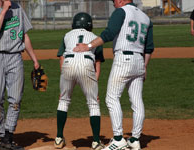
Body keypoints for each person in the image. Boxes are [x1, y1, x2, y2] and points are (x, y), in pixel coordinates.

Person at [74, 0, 154, 150]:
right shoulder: (146, 17)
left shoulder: (121, 11)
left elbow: (109, 33)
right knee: (137, 101)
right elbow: (149, 47)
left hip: (124, 59)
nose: (114, 4)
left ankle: (118, 139)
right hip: (139, 60)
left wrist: (88, 46)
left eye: (114, 1)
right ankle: (135, 139)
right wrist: (144, 66)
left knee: (111, 98)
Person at [0, 0, 40, 150]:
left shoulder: (18, 8)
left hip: (15, 57)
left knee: (16, 99)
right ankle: (1, 134)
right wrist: (4, 10)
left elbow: (24, 35)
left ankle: (8, 136)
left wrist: (35, 60)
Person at [54, 12, 105, 150]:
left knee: (63, 100)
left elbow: (61, 59)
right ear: (90, 25)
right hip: (87, 64)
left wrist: (64, 85)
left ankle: (58, 138)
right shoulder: (95, 38)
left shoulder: (67, 35)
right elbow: (98, 64)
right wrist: (95, 86)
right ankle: (95, 142)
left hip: (68, 63)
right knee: (93, 103)